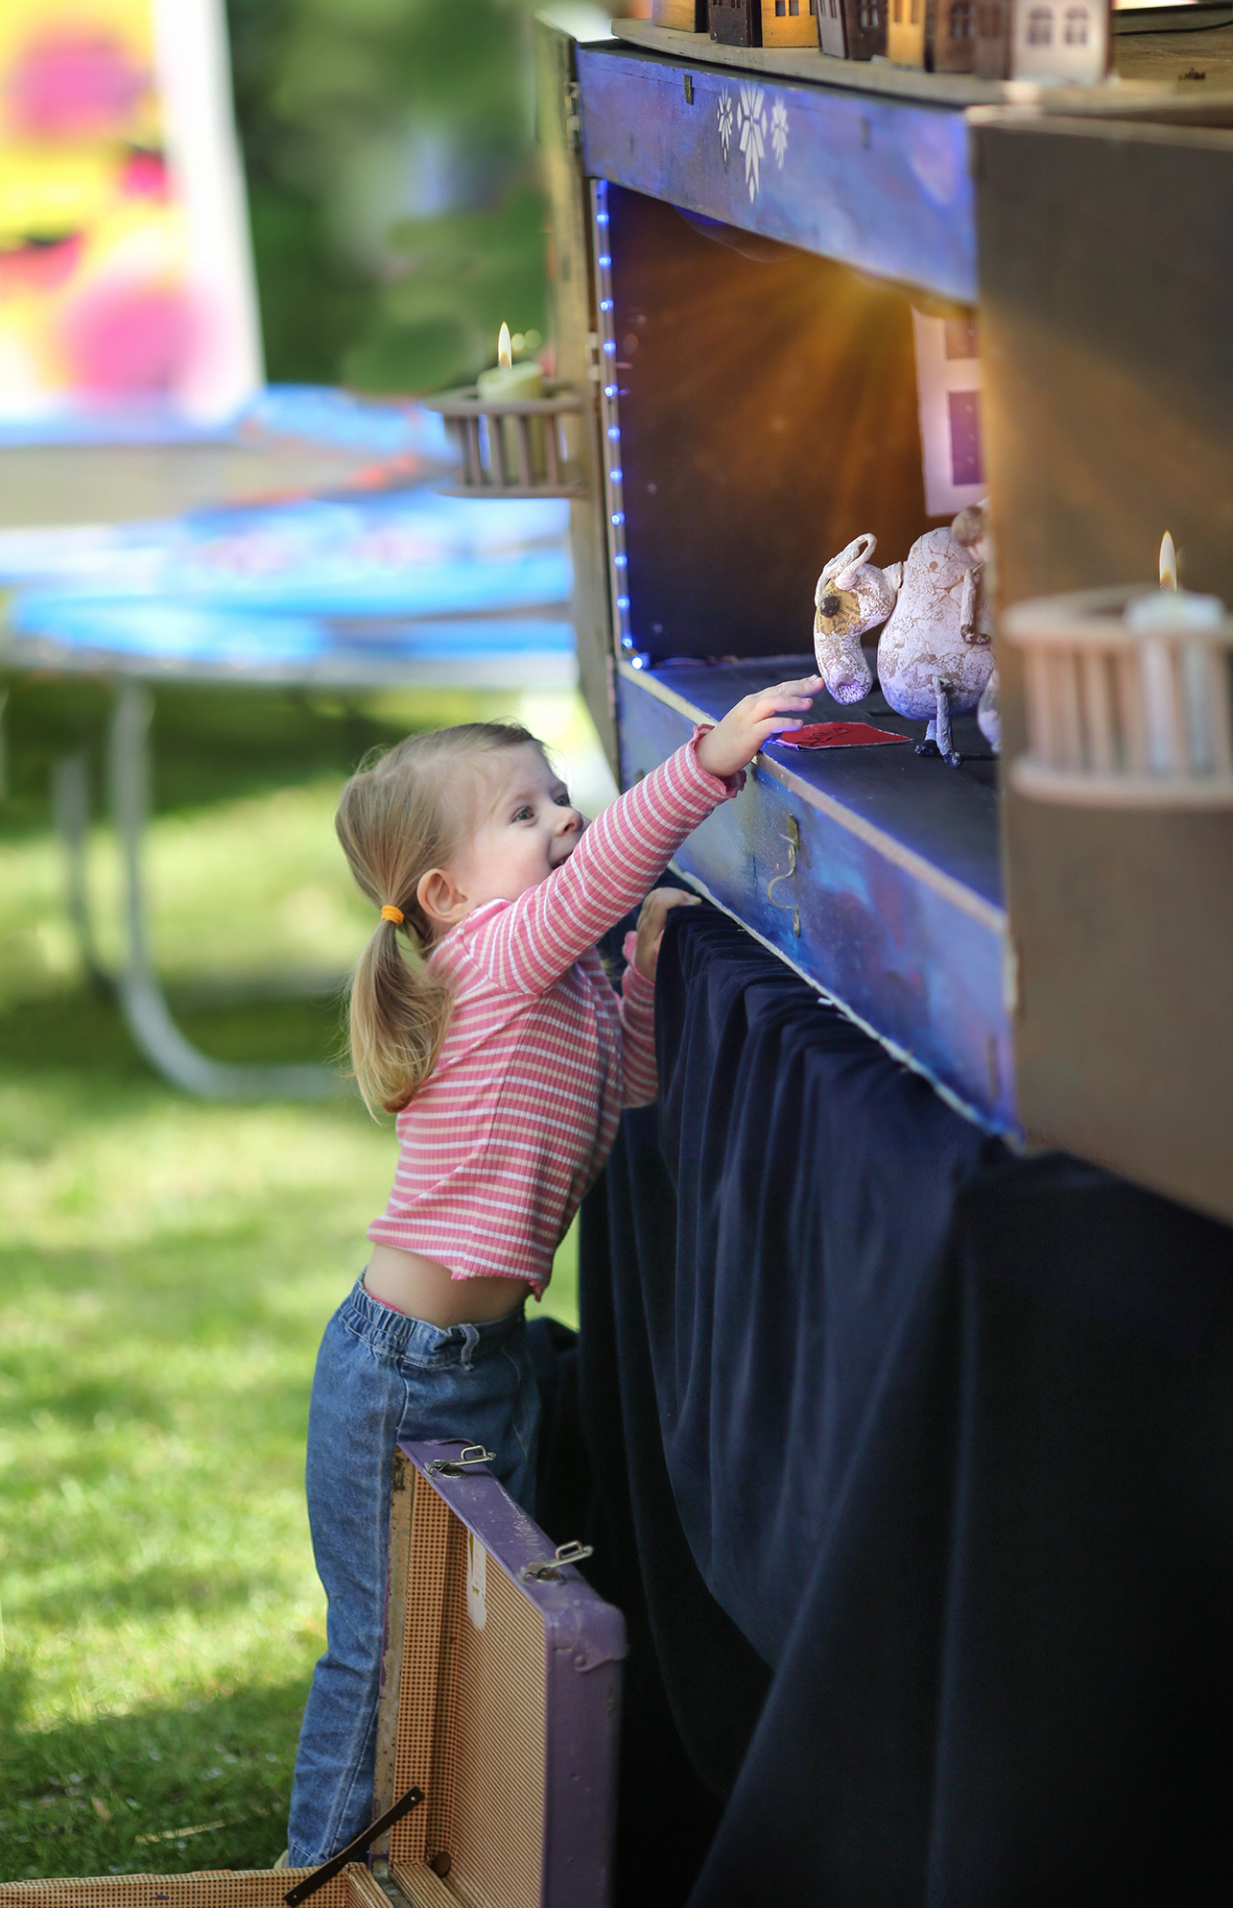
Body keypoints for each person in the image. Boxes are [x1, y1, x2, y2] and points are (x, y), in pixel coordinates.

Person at [287, 673, 823, 1865]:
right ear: (444, 893)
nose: (563, 821)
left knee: (477, 1650)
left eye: (559, 797)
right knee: (378, 1657)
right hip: (403, 1378)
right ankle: (316, 1880)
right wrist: (708, 762)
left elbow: (620, 1088)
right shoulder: (487, 958)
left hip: (487, 1368)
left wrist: (642, 969)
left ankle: (440, 1867)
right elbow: (602, 876)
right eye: (523, 815)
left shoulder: (556, 976)